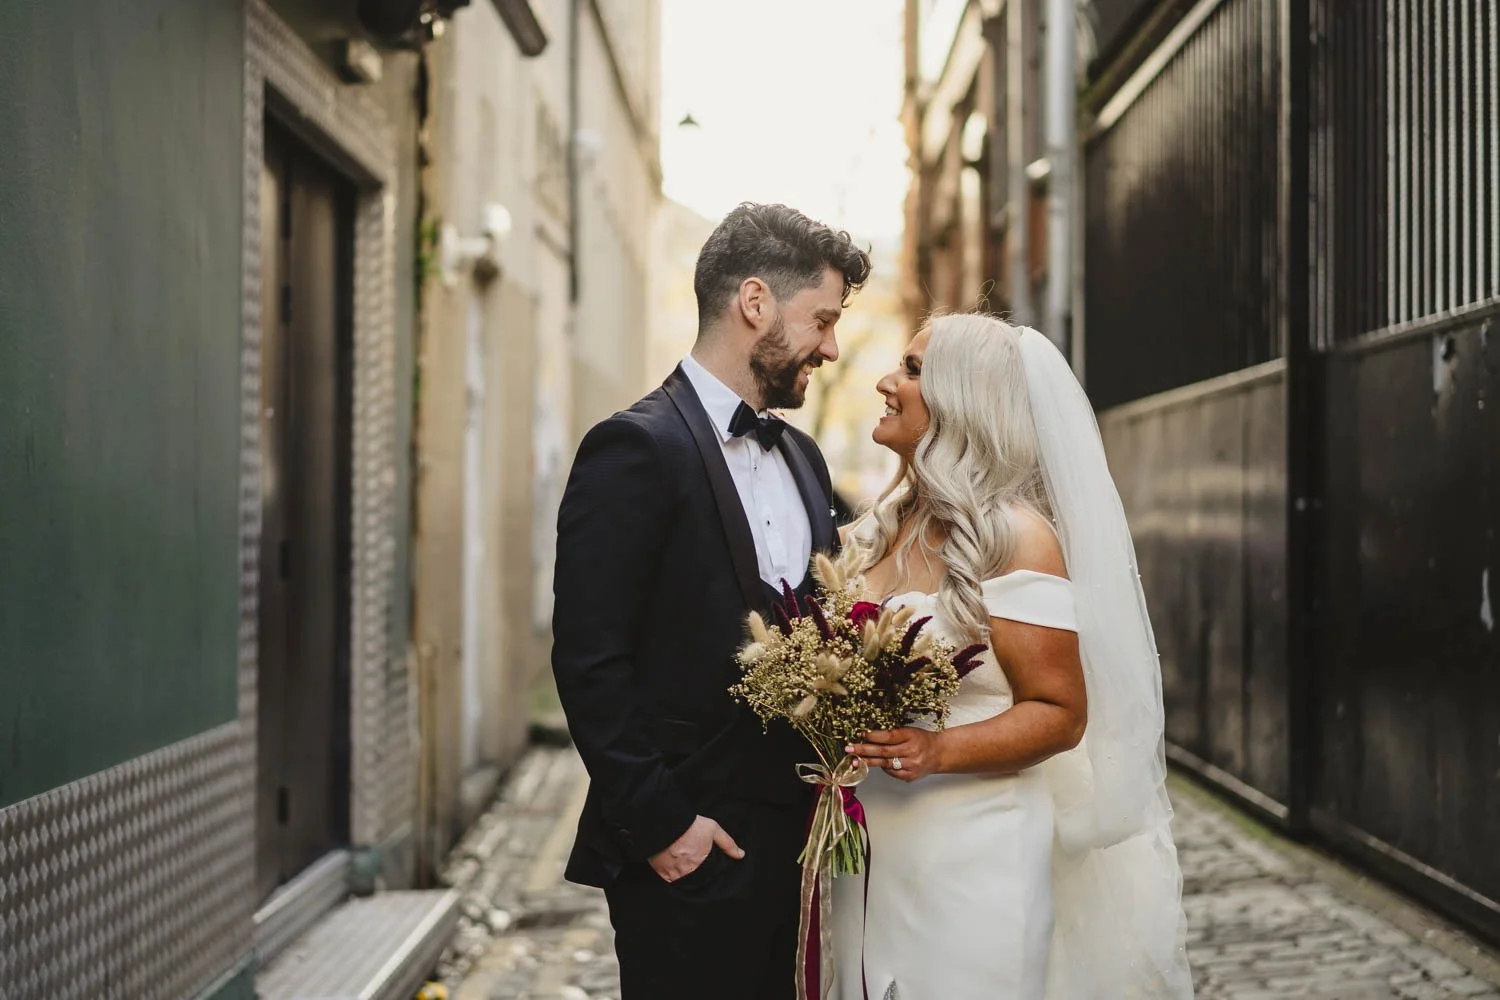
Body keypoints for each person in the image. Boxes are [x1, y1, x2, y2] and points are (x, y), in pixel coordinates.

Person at [550, 202, 873, 999]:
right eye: (822, 320)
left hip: (804, 851)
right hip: (690, 856)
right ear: (755, 303)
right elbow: (589, 658)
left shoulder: (803, 456)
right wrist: (665, 828)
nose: (832, 347)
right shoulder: (632, 448)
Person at [834, 314, 1193, 999]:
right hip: (865, 848)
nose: (885, 382)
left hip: (974, 851)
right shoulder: (881, 529)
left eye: (911, 370)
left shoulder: (1017, 540)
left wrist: (937, 750)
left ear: (963, 399)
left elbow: (1060, 713)